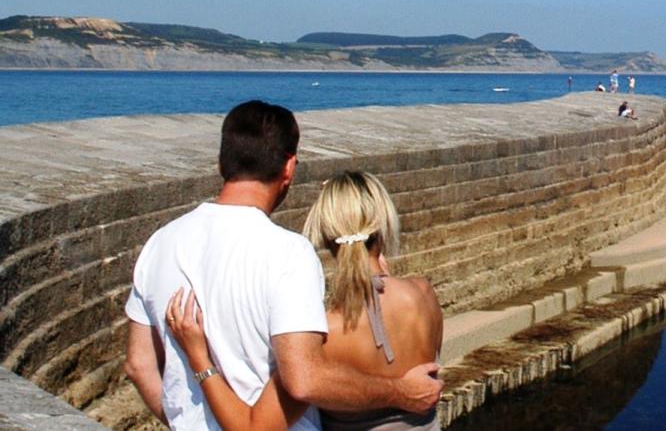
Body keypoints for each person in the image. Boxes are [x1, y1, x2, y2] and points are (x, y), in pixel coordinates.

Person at [123, 101, 442, 430]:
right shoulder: (289, 253)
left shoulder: (159, 244)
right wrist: (400, 392)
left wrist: (184, 421)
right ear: (289, 167)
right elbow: (304, 381)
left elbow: (138, 365)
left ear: (221, 163)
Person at [165, 171, 444, 430]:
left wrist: (200, 360)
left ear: (325, 236)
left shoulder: (322, 337)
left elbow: (252, 427)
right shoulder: (424, 295)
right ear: (384, 224)